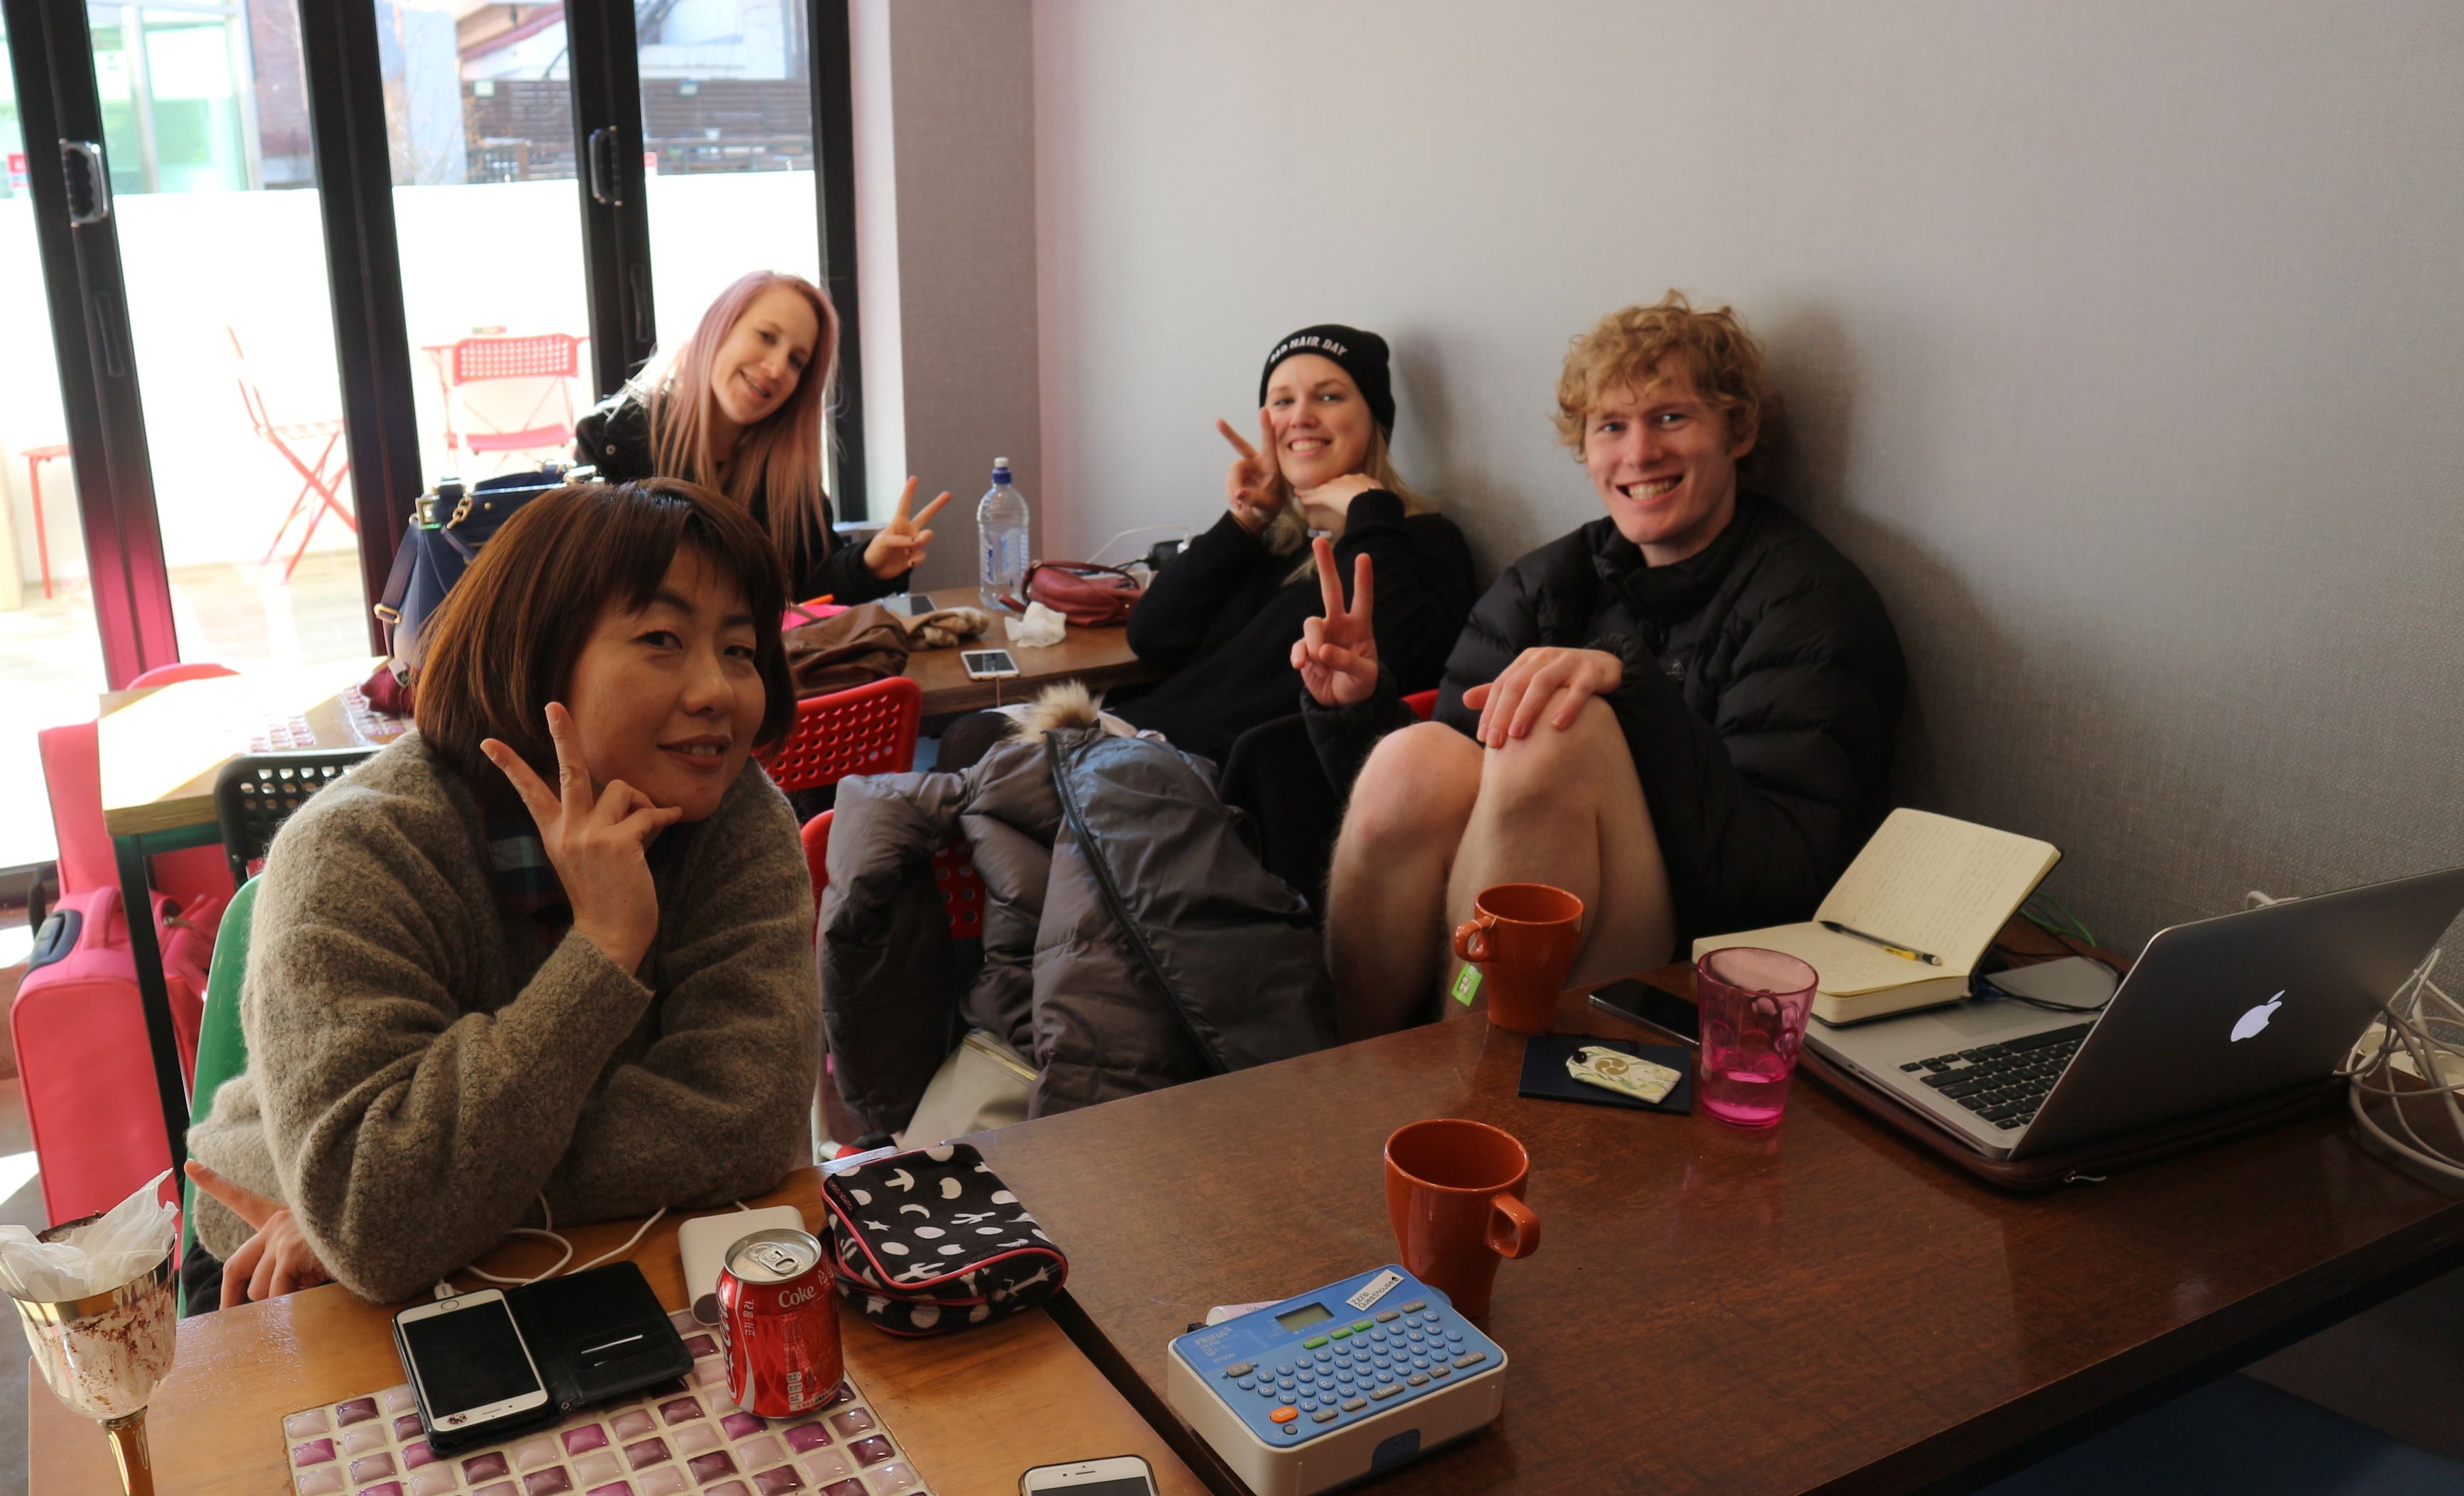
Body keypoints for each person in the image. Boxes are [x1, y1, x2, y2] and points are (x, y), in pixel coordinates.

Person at [182, 478, 819, 1307]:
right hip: (284, 1272)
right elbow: (372, 1214)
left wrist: (420, 1207)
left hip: (587, 1245)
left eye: (740, 650)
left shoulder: (737, 821)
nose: (718, 691)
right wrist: (601, 948)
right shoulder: (356, 849)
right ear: (538, 652)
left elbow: (749, 1118)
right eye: (663, 638)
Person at [1296, 292, 1908, 1041]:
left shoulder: (1809, 604)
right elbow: (1441, 793)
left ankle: (1466, 1103)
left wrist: (1633, 688)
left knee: (1559, 726)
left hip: (1692, 960)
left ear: (1739, 431)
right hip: (1480, 954)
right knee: (1412, 755)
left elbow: (1777, 887)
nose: (1639, 453)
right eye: (1611, 426)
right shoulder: (1546, 582)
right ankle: (1346, 1074)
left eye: (1671, 418)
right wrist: (1357, 705)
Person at [934, 324, 1473, 772]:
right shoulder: (1271, 540)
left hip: (1214, 773)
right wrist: (1247, 518)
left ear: (1375, 420)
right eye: (1282, 401)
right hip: (1141, 731)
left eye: (1328, 397)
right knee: (966, 740)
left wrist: (1371, 512)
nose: (1300, 416)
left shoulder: (1421, 539)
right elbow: (1154, 637)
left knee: (971, 759)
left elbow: (1405, 656)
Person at [574, 270, 949, 604]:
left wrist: (869, 565)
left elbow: (806, 592)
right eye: (766, 336)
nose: (775, 368)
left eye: (796, 361)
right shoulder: (608, 444)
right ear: (718, 328)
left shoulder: (787, 472)